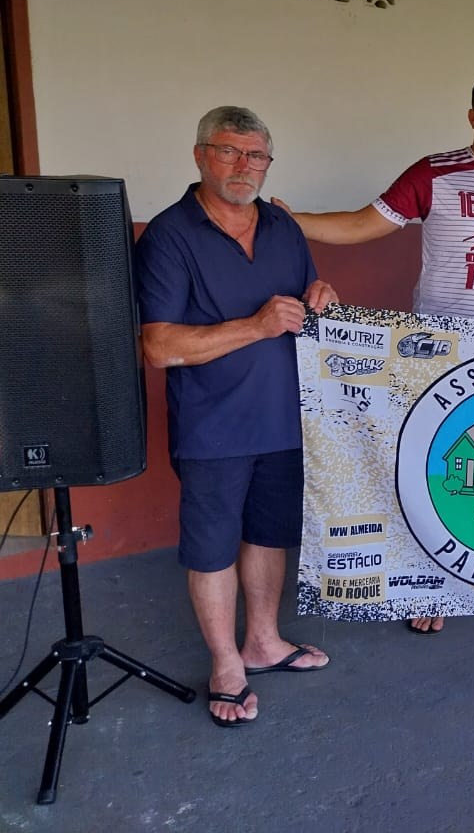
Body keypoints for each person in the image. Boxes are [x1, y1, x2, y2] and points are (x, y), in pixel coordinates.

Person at [278, 72, 474, 635]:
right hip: (441, 350)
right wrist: (293, 222)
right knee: (438, 467)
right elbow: (363, 223)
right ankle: (429, 584)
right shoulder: (434, 173)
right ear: (473, 116)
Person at [135, 106, 337, 727]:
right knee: (212, 547)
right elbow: (159, 346)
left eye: (256, 155)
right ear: (200, 155)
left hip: (285, 416)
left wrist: (321, 297)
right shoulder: (169, 235)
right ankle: (226, 663)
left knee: (268, 534)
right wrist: (255, 326)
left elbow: (304, 302)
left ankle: (263, 642)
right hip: (213, 425)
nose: (243, 166)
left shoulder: (282, 226)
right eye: (228, 151)